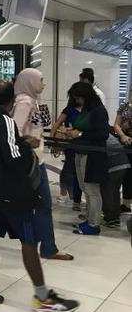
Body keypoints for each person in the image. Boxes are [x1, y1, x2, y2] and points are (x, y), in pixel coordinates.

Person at [0, 80, 79, 312]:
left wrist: (20, 141)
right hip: (12, 193)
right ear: (12, 100)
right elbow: (13, 157)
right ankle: (43, 297)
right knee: (29, 240)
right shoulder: (5, 120)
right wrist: (29, 147)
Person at [12, 68, 73, 260]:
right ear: (29, 81)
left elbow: (43, 123)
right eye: (40, 80)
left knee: (37, 204)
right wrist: (30, 142)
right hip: (31, 161)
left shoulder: (33, 101)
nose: (43, 83)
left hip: (36, 159)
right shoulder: (24, 102)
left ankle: (47, 246)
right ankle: (48, 247)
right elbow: (14, 131)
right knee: (42, 204)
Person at [69, 81, 110, 235]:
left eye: (78, 98)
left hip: (93, 155)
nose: (77, 101)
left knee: (93, 190)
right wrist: (72, 132)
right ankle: (89, 218)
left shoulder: (99, 111)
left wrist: (79, 134)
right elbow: (81, 127)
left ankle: (94, 224)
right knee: (85, 188)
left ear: (86, 96)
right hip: (81, 153)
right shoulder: (86, 110)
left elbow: (103, 134)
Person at [51, 89, 83, 210]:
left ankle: (75, 197)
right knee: (69, 168)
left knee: (78, 172)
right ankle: (65, 193)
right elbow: (57, 124)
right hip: (70, 145)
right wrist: (54, 141)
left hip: (83, 144)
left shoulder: (88, 110)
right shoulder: (69, 110)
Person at [113, 89, 132, 213]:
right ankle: (125, 203)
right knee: (126, 173)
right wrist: (123, 136)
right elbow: (116, 124)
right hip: (125, 143)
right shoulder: (124, 106)